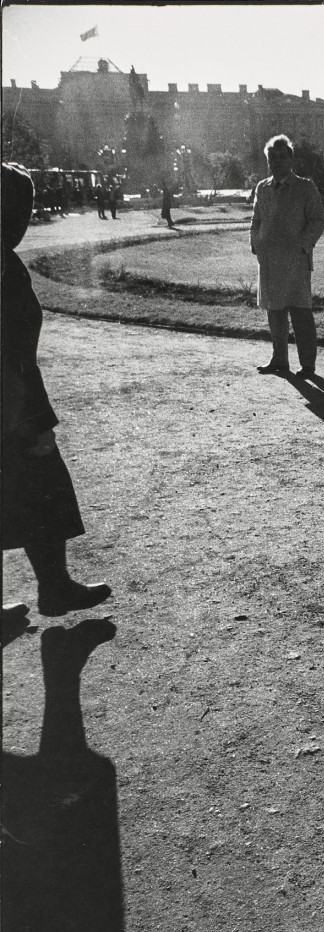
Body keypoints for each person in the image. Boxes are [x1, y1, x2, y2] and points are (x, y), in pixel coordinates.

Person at [1, 163, 111, 625]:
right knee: (43, 488)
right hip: (11, 397)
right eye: (19, 207)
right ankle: (55, 586)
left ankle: (55, 586)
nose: (25, 219)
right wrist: (33, 417)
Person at [249, 134, 324, 377]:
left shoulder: (305, 187)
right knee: (275, 312)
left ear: (291, 158)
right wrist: (257, 247)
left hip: (295, 262)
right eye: (273, 157)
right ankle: (279, 359)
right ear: (268, 160)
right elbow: (255, 222)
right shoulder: (262, 188)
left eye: (282, 157)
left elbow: (317, 221)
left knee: (301, 313)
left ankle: (308, 366)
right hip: (269, 261)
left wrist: (303, 246)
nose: (277, 162)